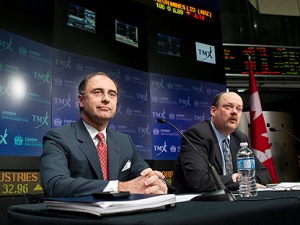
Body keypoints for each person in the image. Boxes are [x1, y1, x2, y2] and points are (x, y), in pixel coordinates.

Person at [41, 72, 175, 197]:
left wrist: (160, 185)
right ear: (81, 100)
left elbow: (146, 176)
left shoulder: (124, 141)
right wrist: (120, 187)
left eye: (112, 94)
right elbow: (55, 185)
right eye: (97, 92)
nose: (106, 99)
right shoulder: (58, 137)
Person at [171, 91, 272, 193]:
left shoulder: (240, 138)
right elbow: (198, 181)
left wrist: (245, 181)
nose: (234, 112)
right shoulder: (197, 134)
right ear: (213, 111)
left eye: (239, 109)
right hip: (196, 203)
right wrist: (236, 181)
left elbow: (264, 174)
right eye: (228, 106)